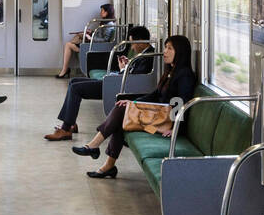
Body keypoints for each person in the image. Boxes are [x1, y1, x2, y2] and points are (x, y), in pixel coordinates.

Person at [72, 35, 198, 178]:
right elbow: (155, 94)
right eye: (165, 47)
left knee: (121, 113)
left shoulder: (184, 75)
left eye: (169, 48)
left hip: (160, 127)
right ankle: (106, 164)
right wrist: (133, 102)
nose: (165, 51)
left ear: (180, 52)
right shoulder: (171, 72)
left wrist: (174, 127)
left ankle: (95, 147)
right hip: (155, 122)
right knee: (122, 115)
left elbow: (181, 101)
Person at [45, 26, 155, 141]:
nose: (132, 47)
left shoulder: (147, 57)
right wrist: (126, 66)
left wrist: (123, 69)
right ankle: (70, 122)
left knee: (76, 89)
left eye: (133, 43)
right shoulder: (143, 54)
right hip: (115, 81)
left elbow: (134, 80)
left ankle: (66, 129)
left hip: (116, 86)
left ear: (141, 42)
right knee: (73, 81)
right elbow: (134, 74)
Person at [56, 2, 115, 79]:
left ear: (107, 12)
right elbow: (100, 35)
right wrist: (91, 32)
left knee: (68, 45)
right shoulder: (105, 22)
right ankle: (65, 69)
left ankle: (65, 70)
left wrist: (90, 38)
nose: (101, 13)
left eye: (102, 11)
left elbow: (105, 40)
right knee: (73, 41)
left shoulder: (109, 25)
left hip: (95, 47)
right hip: (93, 44)